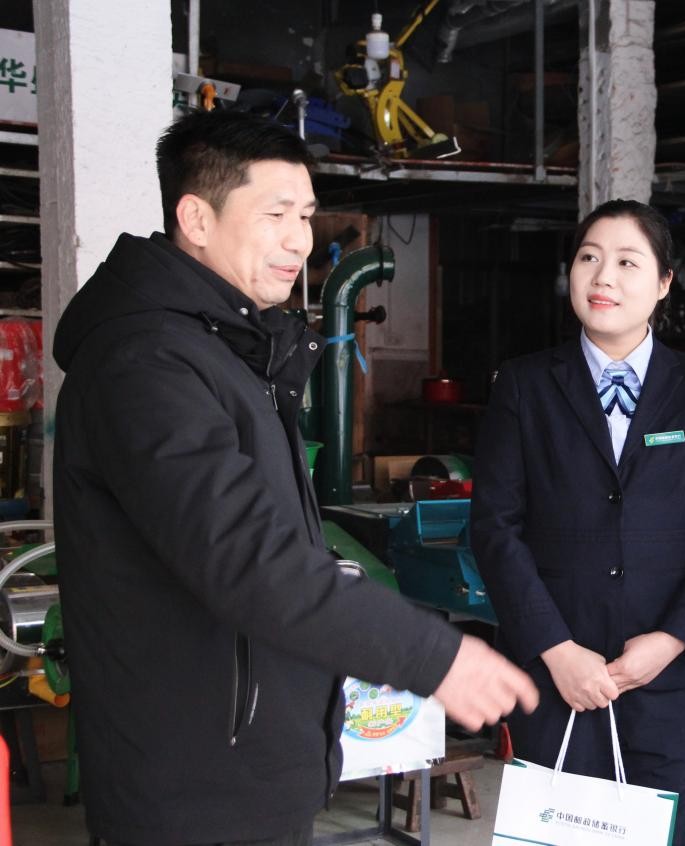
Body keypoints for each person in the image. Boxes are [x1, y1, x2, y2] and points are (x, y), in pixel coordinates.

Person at [52, 109, 537, 846]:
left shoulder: (229, 346)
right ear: (197, 219)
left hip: (245, 767)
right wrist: (433, 655)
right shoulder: (146, 363)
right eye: (275, 214)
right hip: (189, 787)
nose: (299, 240)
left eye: (306, 216)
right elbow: (247, 556)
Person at [470, 199, 685, 845]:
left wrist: (673, 639)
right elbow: (494, 526)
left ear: (663, 282)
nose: (603, 277)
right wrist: (556, 649)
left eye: (627, 262)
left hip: (670, 679)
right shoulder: (524, 386)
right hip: (556, 675)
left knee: (667, 834)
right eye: (589, 258)